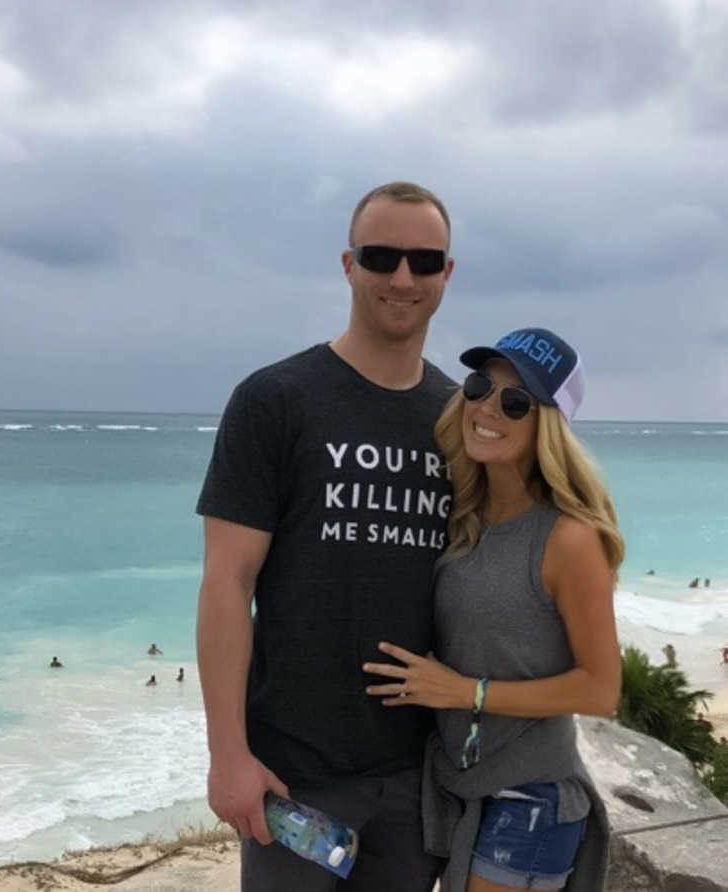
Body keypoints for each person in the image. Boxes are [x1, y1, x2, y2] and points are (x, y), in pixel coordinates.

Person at [196, 181, 455, 890]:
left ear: (446, 275)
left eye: (424, 261)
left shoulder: (460, 419)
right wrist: (228, 758)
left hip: (416, 778)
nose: (403, 278)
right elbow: (227, 583)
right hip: (293, 778)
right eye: (381, 256)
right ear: (349, 266)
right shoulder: (275, 400)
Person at [365, 328, 623, 891]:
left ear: (548, 427)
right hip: (460, 788)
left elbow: (601, 689)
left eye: (515, 402)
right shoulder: (464, 516)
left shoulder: (568, 538)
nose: (487, 408)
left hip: (530, 799)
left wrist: (464, 692)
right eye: (481, 386)